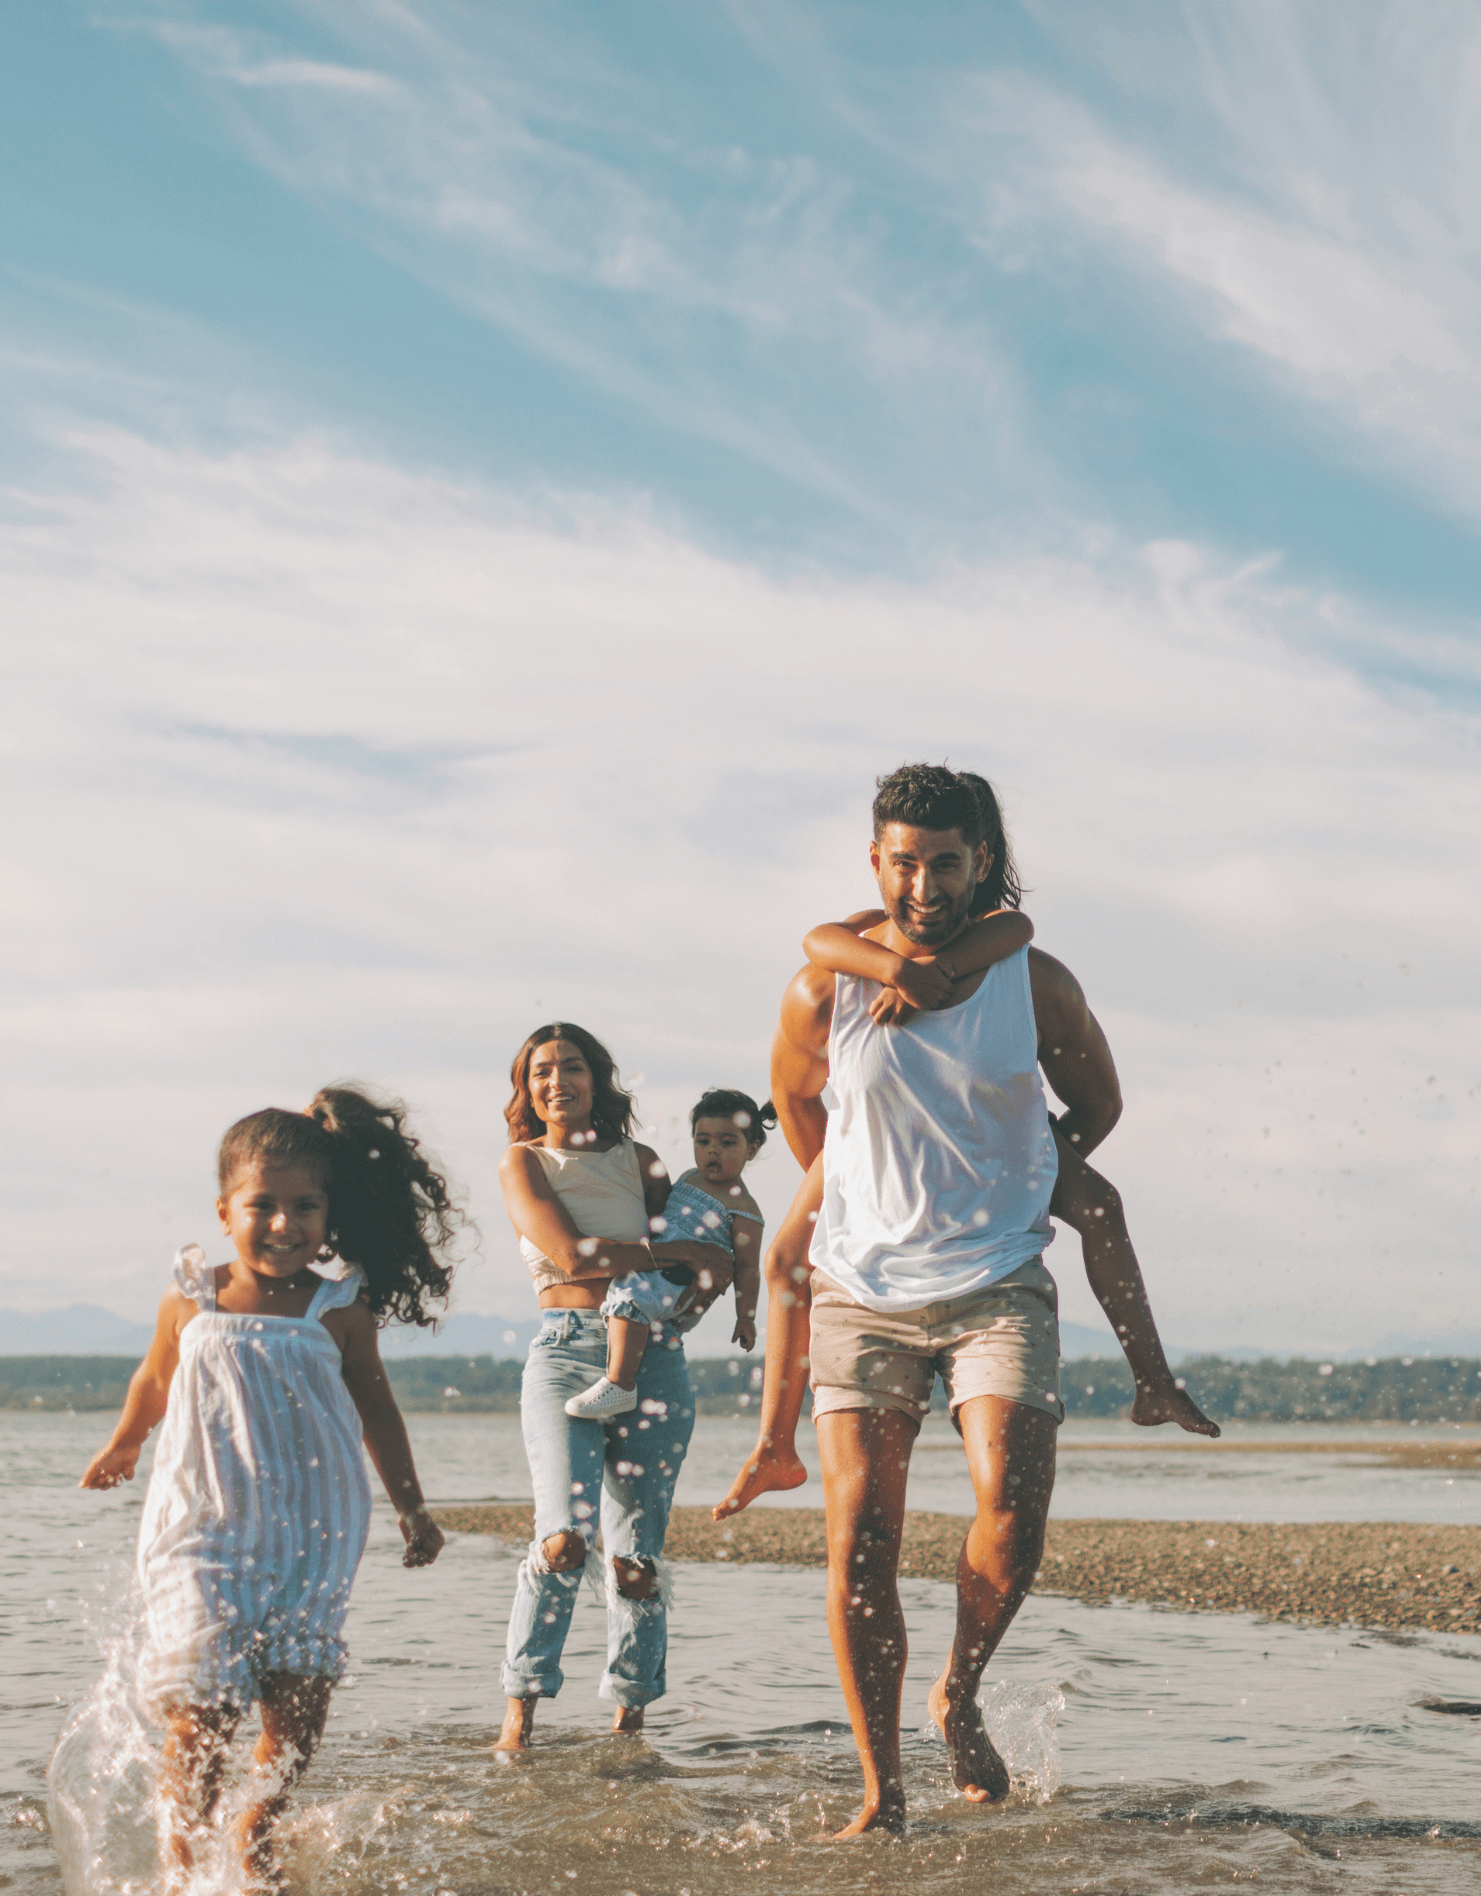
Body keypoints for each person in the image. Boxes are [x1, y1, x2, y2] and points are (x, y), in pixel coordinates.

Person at [716, 764, 1212, 1834]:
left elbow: (1099, 1099)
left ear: (978, 859)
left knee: (1009, 1510)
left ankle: (958, 1689)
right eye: (904, 860)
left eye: (945, 860)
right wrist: (852, 1179)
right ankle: (879, 1791)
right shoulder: (822, 988)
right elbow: (800, 1107)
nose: (924, 883)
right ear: (873, 860)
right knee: (858, 1538)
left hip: (996, 1281)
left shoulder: (1032, 982)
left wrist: (1020, 1165)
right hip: (859, 1291)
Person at [80, 1085, 456, 1891]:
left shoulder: (339, 1307)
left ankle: (258, 1827)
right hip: (203, 1528)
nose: (284, 1224)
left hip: (312, 1533)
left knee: (296, 1710)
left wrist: (411, 1507)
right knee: (200, 1709)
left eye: (305, 1207)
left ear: (329, 1214)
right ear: (224, 1211)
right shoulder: (193, 1295)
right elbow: (154, 1378)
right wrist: (124, 1442)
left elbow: (376, 1410)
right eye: (263, 1206)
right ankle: (183, 1870)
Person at [494, 1022, 738, 1752]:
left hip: (654, 1360)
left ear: (596, 1080)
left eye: (571, 1067)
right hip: (566, 1355)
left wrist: (702, 1263)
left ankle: (629, 1723)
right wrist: (677, 1252)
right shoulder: (523, 1162)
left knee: (635, 1560)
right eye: (541, 1071)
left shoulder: (644, 1161)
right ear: (527, 1087)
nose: (555, 1081)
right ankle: (521, 1712)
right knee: (565, 1540)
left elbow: (701, 1261)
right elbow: (570, 1255)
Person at [563, 1087, 771, 1419]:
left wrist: (745, 1317)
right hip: (663, 1262)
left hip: (682, 1280)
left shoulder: (744, 1210)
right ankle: (624, 1369)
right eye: (703, 1142)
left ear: (753, 1148)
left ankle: (620, 1384)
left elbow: (747, 1268)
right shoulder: (689, 1177)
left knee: (630, 1298)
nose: (712, 1151)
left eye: (728, 1142)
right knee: (628, 1297)